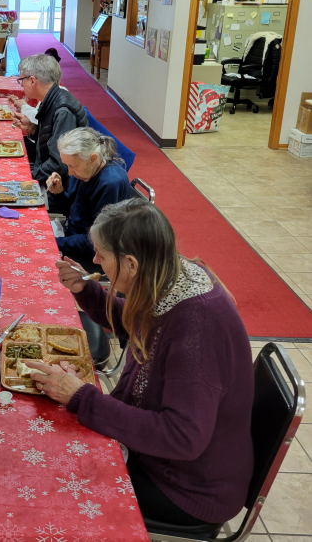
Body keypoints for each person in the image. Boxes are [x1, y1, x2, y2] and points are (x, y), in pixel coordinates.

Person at [28, 199, 254, 529]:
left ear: (131, 264)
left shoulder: (198, 325)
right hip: (161, 461)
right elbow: (139, 327)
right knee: (52, 443)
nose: (94, 261)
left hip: (186, 487)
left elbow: (182, 437)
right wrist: (86, 289)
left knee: (54, 480)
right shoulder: (167, 274)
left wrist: (82, 397)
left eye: (101, 255)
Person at [46, 128, 131, 271]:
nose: (69, 173)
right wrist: (59, 193)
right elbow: (74, 213)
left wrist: (55, 242)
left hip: (95, 255)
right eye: (67, 166)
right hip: (73, 237)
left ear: (92, 159)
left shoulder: (110, 184)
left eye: (73, 166)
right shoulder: (85, 171)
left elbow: (95, 241)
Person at [11, 54, 88, 186]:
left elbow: (59, 164)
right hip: (45, 169)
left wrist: (30, 178)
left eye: (21, 80)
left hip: (61, 187)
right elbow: (52, 140)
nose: (21, 85)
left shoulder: (62, 110)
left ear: (32, 81)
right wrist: (32, 128)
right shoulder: (53, 98)